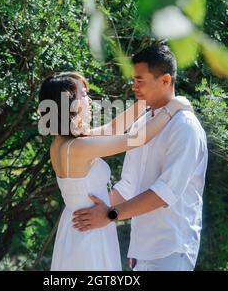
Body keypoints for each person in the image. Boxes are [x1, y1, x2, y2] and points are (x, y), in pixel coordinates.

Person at [72, 44, 209, 271]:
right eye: (133, 80)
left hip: (171, 249)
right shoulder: (142, 124)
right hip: (140, 251)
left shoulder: (185, 127)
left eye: (140, 80)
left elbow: (165, 193)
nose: (134, 86)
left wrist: (109, 214)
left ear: (165, 80)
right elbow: (127, 186)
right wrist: (89, 212)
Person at [38, 70, 193, 270]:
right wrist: (171, 109)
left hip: (81, 226)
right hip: (89, 232)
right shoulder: (78, 148)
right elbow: (137, 139)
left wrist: (150, 98)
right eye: (83, 95)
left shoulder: (62, 143)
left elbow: (113, 128)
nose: (90, 101)